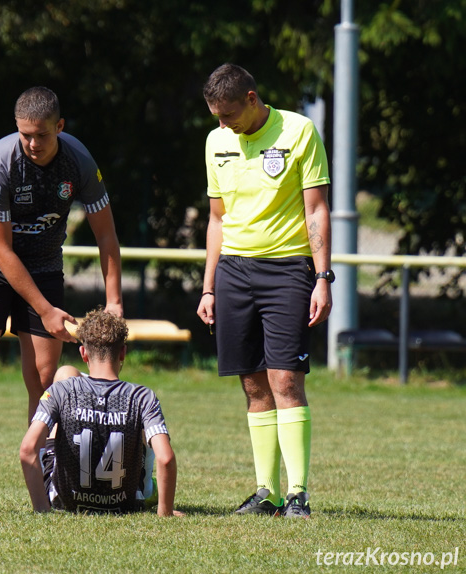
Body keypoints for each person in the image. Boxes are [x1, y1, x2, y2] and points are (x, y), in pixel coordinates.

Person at [0, 87, 123, 503]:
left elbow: (106, 236)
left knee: (45, 377)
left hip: (44, 266)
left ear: (60, 128)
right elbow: (1, 250)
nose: (32, 144)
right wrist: (45, 310)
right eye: (25, 135)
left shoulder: (79, 161)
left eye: (42, 136)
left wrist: (115, 301)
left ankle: (49, 480)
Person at [196, 64, 332, 519]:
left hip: (288, 271)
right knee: (253, 384)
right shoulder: (217, 141)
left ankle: (298, 494)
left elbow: (316, 209)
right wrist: (208, 286)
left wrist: (322, 277)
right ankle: (266, 492)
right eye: (216, 116)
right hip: (233, 273)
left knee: (285, 381)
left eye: (230, 114)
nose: (223, 124)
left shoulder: (298, 130)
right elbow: (217, 219)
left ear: (252, 99)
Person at [19, 308, 182, 516]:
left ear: (83, 353)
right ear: (122, 352)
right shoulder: (142, 396)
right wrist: (165, 513)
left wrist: (42, 510)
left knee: (64, 376)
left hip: (64, 500)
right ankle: (148, 488)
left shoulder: (60, 390)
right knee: (143, 420)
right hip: (125, 502)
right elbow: (166, 458)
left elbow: (27, 450)